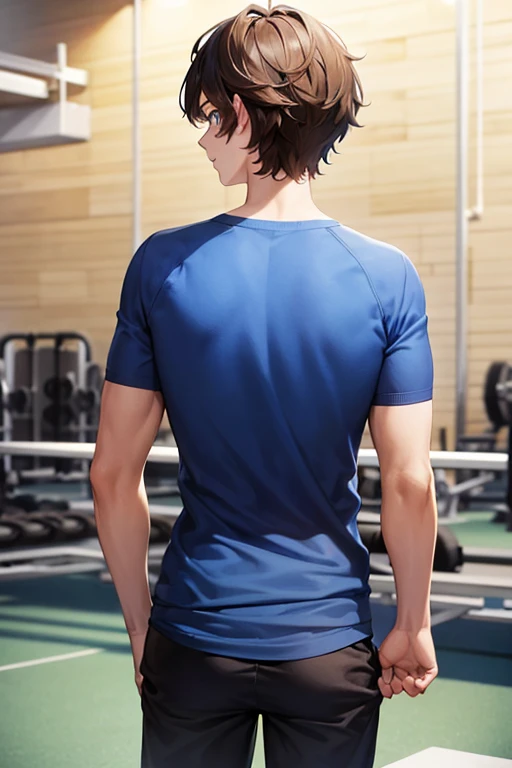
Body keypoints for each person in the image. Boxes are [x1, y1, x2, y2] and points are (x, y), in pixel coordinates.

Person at [90, 4, 439, 767]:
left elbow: (112, 476)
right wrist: (413, 620)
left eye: (211, 115)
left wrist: (143, 625)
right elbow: (409, 482)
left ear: (244, 118)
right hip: (329, 646)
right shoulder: (388, 278)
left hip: (194, 635)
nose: (204, 135)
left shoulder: (162, 267)